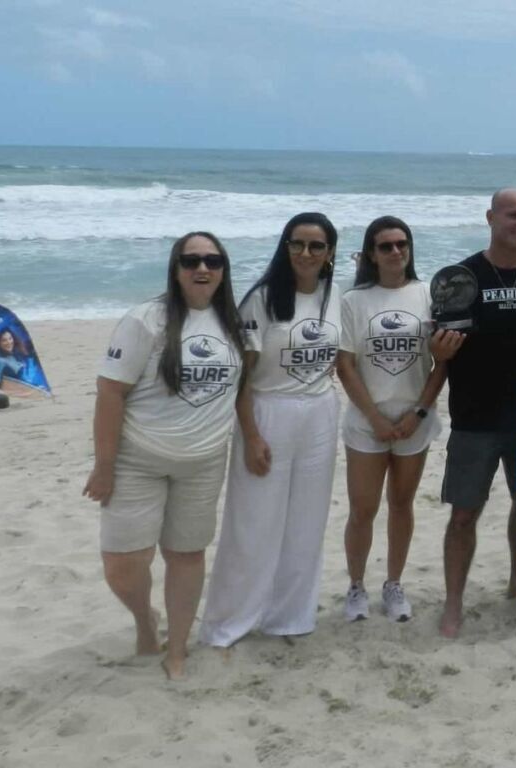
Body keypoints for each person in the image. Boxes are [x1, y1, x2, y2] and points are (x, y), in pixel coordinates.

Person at [82, 232, 244, 679]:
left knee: (186, 555)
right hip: (138, 459)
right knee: (122, 563)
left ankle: (176, 650)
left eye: (212, 260)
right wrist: (104, 466)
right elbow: (111, 391)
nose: (202, 268)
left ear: (224, 268)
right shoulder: (145, 320)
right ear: (175, 269)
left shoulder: (234, 320)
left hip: (204, 462)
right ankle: (143, 619)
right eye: (191, 260)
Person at [199, 212, 343, 647]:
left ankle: (289, 617)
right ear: (285, 247)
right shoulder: (261, 299)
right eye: (297, 244)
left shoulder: (336, 295)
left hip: (319, 412)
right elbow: (242, 376)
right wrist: (252, 436)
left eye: (316, 246)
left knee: (306, 522)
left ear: (329, 252)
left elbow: (343, 359)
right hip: (267, 411)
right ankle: (229, 623)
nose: (306, 253)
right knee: (253, 522)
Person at [337, 216, 462, 622]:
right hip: (366, 422)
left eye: (401, 244)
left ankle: (393, 584)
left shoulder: (430, 296)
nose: (395, 251)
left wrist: (419, 412)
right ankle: (356, 587)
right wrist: (374, 418)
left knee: (401, 504)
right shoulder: (354, 301)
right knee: (363, 508)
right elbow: (346, 366)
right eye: (385, 245)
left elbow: (440, 363)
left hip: (415, 419)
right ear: (371, 253)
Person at [438, 188, 516, 638]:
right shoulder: (460, 276)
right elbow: (442, 340)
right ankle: (452, 604)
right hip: (474, 418)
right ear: (490, 217)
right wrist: (436, 347)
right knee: (464, 513)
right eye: (513, 215)